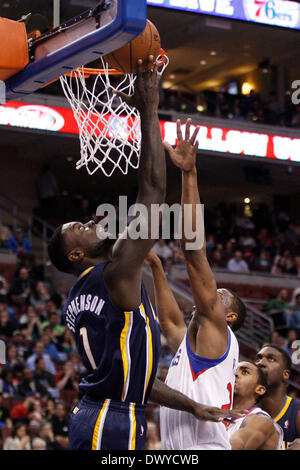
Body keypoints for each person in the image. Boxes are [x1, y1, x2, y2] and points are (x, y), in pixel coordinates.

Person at [47, 58, 242, 451]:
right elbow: (152, 193)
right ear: (78, 255)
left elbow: (142, 381)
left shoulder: (82, 294)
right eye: (80, 228)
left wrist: (192, 407)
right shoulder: (114, 275)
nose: (90, 221)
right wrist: (148, 108)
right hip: (110, 419)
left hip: (106, 412)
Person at [150, 118, 247, 450]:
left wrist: (188, 175)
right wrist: (155, 265)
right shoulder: (195, 346)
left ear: (228, 317)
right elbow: (169, 322)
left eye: (221, 296)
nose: (210, 293)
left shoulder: (217, 329)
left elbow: (193, 251)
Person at [227, 361, 283, 450]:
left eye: (245, 372)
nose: (235, 374)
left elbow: (237, 445)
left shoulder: (261, 420)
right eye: (234, 370)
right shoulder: (218, 415)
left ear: (260, 389)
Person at [255, 344, 300, 449]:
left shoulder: (296, 413)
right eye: (258, 358)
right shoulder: (241, 406)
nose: (260, 363)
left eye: (271, 359)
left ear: (285, 375)